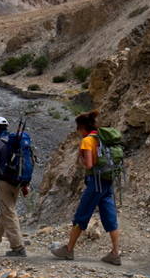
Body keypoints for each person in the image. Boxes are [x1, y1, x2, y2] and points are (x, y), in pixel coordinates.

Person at [50, 110, 121, 265]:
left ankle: (68, 250)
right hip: (108, 181)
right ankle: (115, 253)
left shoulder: (88, 140)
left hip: (95, 182)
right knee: (110, 217)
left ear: (82, 127)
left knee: (82, 215)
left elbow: (89, 164)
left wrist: (82, 159)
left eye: (78, 128)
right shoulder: (101, 138)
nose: (77, 131)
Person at [0, 116, 28, 256]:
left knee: (8, 212)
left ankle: (18, 247)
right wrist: (25, 185)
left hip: (4, 183)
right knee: (7, 210)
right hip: (18, 182)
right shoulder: (17, 142)